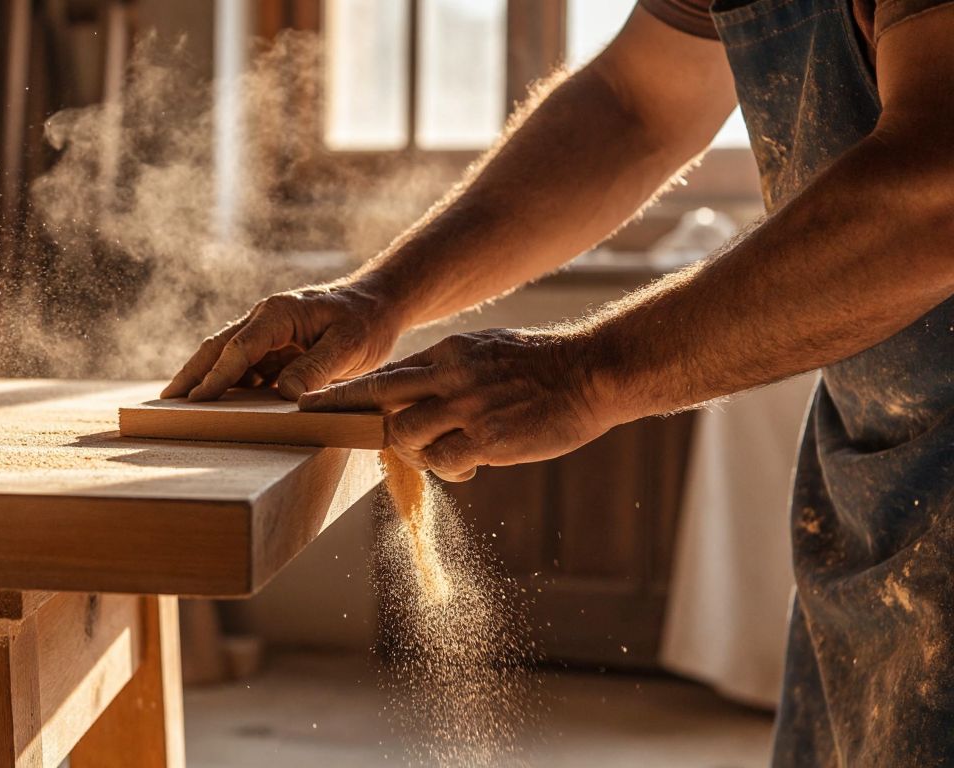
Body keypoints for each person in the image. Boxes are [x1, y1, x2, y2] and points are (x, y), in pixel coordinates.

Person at [166, 1, 954, 764]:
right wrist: (380, 296)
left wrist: (585, 376)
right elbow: (633, 106)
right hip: (877, 465)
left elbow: (936, 192)